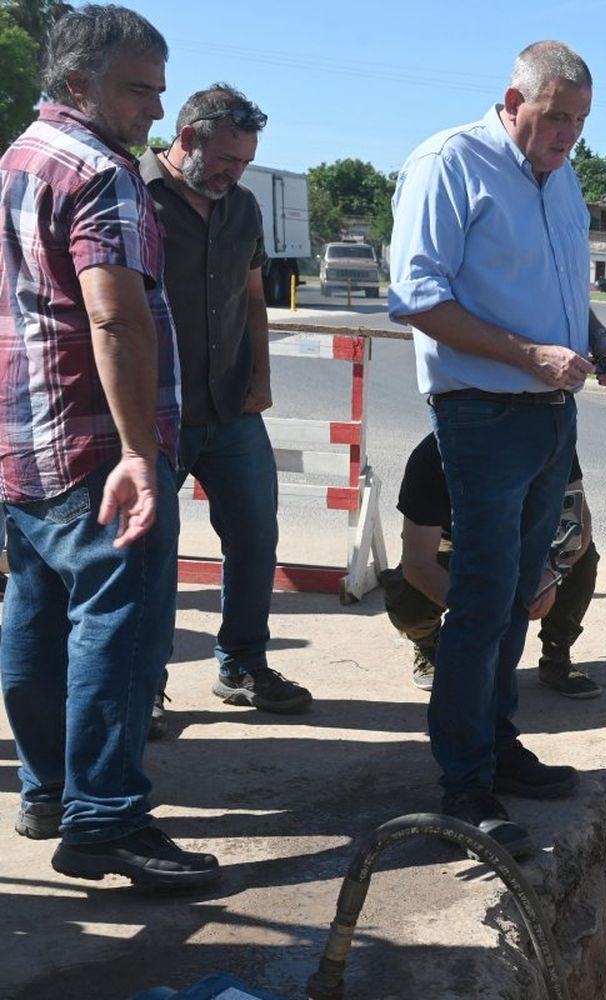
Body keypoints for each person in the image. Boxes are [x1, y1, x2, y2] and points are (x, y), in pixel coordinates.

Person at [388, 39, 606, 858]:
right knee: (485, 597)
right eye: (556, 116)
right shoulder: (449, 163)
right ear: (513, 99)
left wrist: (594, 342)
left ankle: (495, 743)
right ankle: (464, 780)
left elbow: (566, 299)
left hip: (548, 415)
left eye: (581, 121)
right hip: (483, 414)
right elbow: (420, 298)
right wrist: (530, 356)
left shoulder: (560, 180)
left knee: (522, 589)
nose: (568, 134)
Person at [0, 4, 219, 887]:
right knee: (117, 631)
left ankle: (49, 789)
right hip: (97, 447)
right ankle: (106, 819)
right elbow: (116, 314)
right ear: (77, 84)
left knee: (35, 616)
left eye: (159, 93)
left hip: (24, 440)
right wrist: (138, 453)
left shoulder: (17, 158)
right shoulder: (103, 173)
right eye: (139, 91)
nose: (155, 114)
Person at [142, 83, 312, 740]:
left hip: (232, 408)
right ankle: (146, 684)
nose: (235, 174)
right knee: (153, 554)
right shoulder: (133, 194)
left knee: (255, 536)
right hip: (156, 412)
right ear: (186, 139)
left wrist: (261, 379)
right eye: (225, 161)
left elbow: (250, 299)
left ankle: (241, 664)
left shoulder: (241, 209)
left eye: (243, 162)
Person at [381, 433, 601, 698]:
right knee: (408, 595)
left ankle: (557, 653)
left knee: (582, 559)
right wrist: (475, 608)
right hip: (458, 542)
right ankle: (428, 645)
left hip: (528, 533)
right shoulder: (432, 456)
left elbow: (578, 523)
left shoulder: (545, 438)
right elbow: (417, 563)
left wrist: (550, 572)